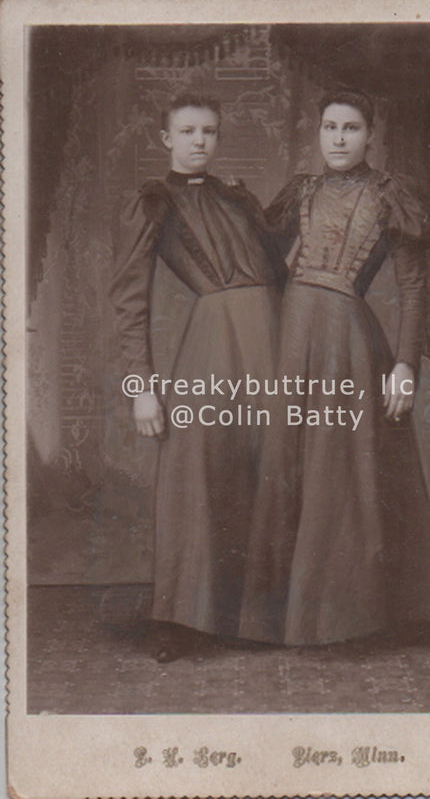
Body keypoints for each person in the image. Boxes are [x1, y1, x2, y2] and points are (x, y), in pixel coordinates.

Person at [240, 90, 430, 647]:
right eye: (330, 127)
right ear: (318, 132)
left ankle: (344, 619)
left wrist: (404, 366)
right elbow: (261, 262)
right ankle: (281, 617)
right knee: (287, 461)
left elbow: (413, 287)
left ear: (370, 135)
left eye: (351, 128)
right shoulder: (300, 192)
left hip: (349, 344)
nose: (338, 138)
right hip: (293, 339)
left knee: (343, 472)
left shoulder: (390, 195)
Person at [111, 93, 284, 662]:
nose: (199, 141)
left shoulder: (238, 198)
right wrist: (142, 389)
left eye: (209, 131)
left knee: (267, 466)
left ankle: (256, 617)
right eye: (187, 132)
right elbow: (129, 301)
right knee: (196, 474)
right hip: (212, 343)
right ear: (166, 139)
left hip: (272, 339)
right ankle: (177, 619)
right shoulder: (153, 202)